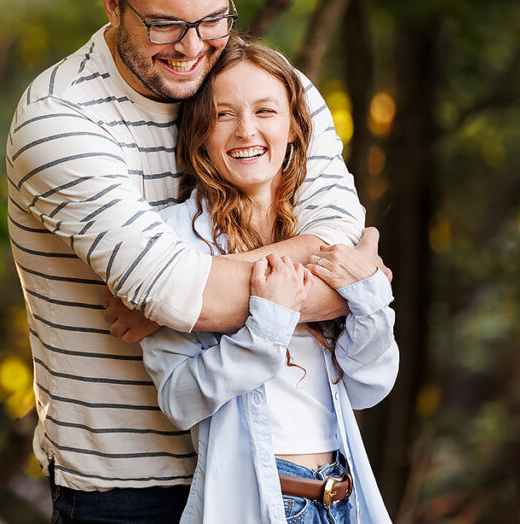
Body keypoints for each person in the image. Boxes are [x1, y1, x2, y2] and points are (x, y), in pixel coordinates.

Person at [6, 0, 367, 522]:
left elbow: (344, 246)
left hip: (274, 470)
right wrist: (187, 299)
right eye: (165, 24)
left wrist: (190, 302)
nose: (193, 48)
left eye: (214, 20)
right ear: (113, 4)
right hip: (131, 487)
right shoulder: (60, 122)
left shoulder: (274, 91)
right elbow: (187, 295)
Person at [141, 36, 398, 524]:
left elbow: (370, 384)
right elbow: (178, 400)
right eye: (223, 114)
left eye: (265, 111)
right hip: (263, 503)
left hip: (343, 499)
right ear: (199, 131)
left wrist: (368, 297)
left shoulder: (320, 233)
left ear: (296, 129)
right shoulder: (177, 241)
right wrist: (267, 329)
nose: (246, 130)